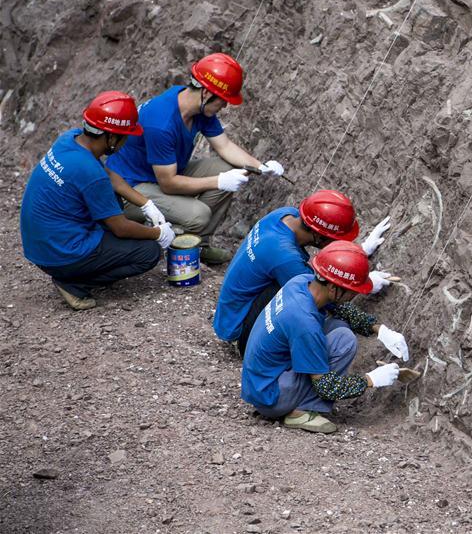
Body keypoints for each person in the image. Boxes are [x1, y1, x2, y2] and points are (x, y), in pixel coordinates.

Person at [106, 52, 285, 265]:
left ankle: (198, 244)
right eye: (223, 100)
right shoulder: (161, 123)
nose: (225, 106)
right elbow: (169, 184)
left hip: (159, 174)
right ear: (207, 93)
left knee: (223, 166)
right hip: (130, 189)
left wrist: (261, 166)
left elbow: (224, 146)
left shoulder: (195, 107)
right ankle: (179, 246)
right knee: (199, 214)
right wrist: (219, 181)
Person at [20, 91, 175, 310]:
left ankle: (80, 268)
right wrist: (158, 233)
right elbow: (120, 228)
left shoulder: (70, 140)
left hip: (41, 245)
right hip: (61, 253)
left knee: (114, 202)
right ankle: (74, 282)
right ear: (111, 138)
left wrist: (146, 204)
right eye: (125, 136)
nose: (126, 141)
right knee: (148, 253)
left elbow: (110, 177)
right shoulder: (89, 172)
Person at [241, 241, 408, 433]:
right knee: (344, 341)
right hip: (271, 397)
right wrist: (371, 380)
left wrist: (380, 330)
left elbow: (341, 308)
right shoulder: (304, 323)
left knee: (340, 327)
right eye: (352, 291)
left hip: (259, 381)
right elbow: (326, 387)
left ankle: (297, 400)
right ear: (333, 289)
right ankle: (300, 410)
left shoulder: (302, 282)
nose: (354, 295)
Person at [212, 189, 393, 354]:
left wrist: (359, 251)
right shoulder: (285, 257)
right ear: (319, 235)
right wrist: (362, 285)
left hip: (230, 314)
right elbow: (328, 294)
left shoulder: (285, 215)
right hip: (240, 328)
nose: (334, 243)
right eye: (335, 240)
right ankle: (254, 349)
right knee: (308, 300)